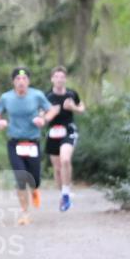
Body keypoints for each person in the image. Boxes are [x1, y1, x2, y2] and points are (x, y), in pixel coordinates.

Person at [0, 67, 57, 226]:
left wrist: (44, 120)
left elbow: (52, 110)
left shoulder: (37, 95)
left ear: (28, 81)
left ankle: (35, 189)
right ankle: (24, 212)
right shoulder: (6, 98)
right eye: (18, 79)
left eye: (24, 79)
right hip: (15, 142)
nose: (21, 82)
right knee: (20, 177)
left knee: (34, 178)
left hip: (32, 142)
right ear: (13, 81)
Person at [45, 66, 86, 212]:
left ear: (65, 79)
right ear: (52, 79)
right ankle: (63, 194)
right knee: (57, 169)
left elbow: (82, 108)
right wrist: (51, 113)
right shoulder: (47, 97)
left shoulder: (71, 94)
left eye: (62, 77)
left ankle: (66, 194)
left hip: (68, 130)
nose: (59, 80)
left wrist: (73, 107)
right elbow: (40, 115)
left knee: (65, 160)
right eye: (56, 77)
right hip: (53, 133)